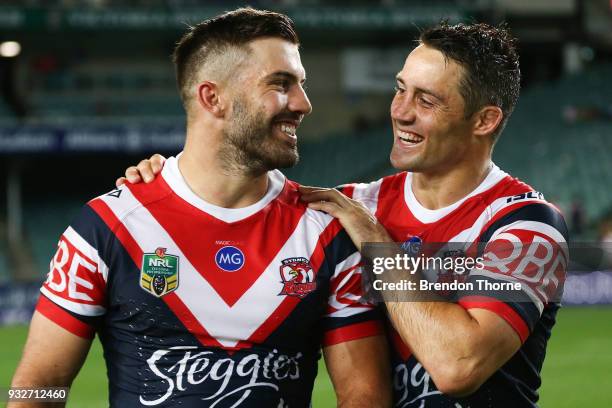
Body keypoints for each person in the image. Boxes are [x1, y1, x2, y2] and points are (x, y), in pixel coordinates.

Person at [125, 22, 569, 407]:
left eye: (427, 101)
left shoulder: (527, 227)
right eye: (400, 90)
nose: (401, 112)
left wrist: (374, 238)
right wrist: (169, 180)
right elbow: (228, 212)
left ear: (484, 120)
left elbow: (457, 366)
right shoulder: (354, 203)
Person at [10, 9, 391, 408]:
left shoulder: (327, 232)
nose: (303, 103)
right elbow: (40, 384)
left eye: (301, 84)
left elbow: (364, 395)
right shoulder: (106, 227)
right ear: (213, 97)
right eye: (281, 84)